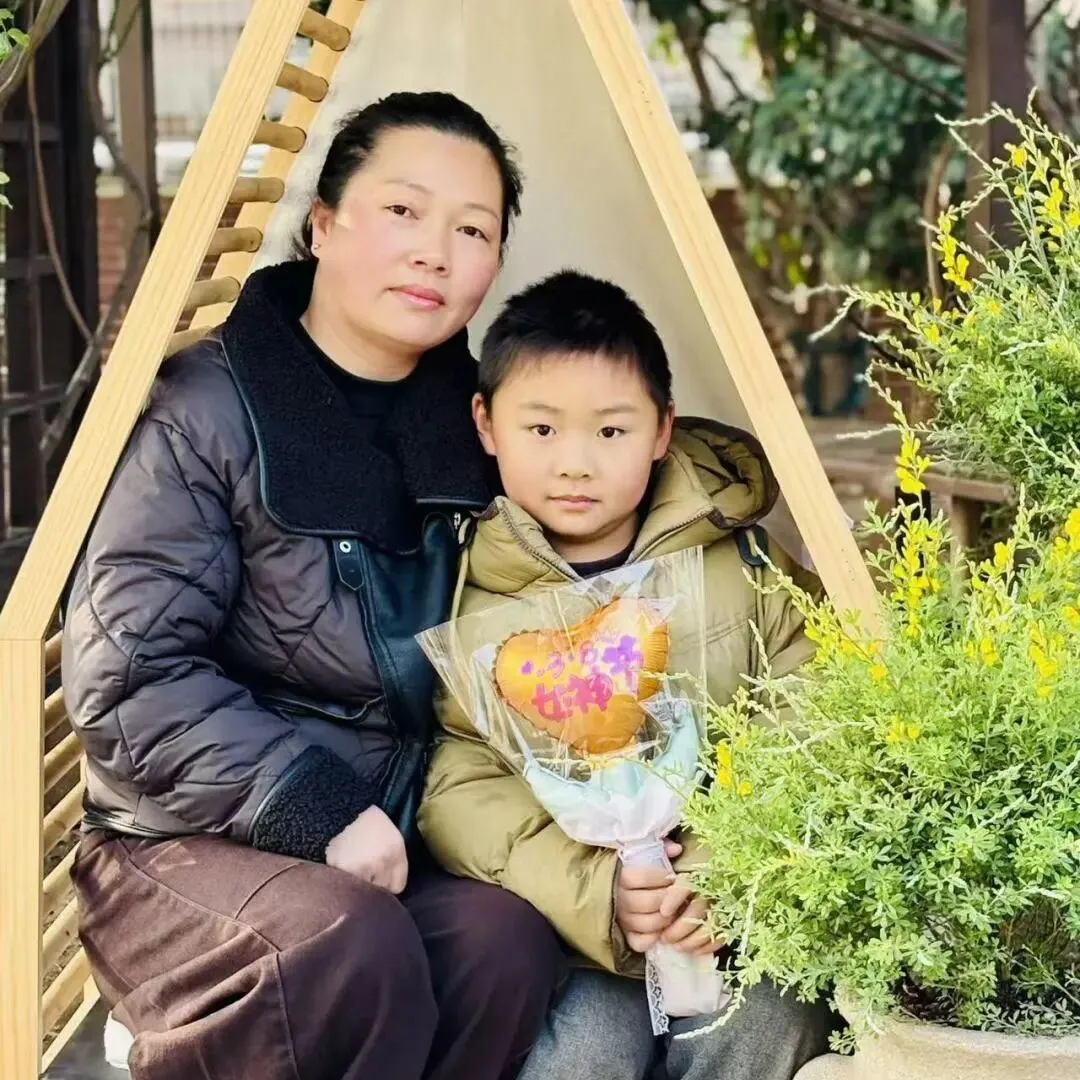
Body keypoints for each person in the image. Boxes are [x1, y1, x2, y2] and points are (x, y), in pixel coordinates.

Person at [62, 92, 565, 1080]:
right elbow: (129, 676)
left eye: (473, 230)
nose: (435, 252)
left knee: (505, 945)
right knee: (347, 942)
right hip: (181, 839)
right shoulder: (205, 411)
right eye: (404, 211)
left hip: (387, 840)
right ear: (324, 224)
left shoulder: (483, 428)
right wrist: (315, 806)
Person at [418, 270, 834, 1080]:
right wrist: (597, 891)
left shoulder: (738, 561)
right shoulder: (471, 590)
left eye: (611, 431)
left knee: (766, 1028)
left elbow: (816, 699)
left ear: (661, 429)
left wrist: (721, 865)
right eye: (542, 429)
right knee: (579, 1060)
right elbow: (459, 783)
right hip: (581, 938)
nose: (575, 464)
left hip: (738, 912)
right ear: (487, 423)